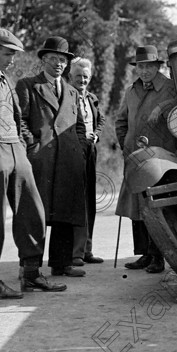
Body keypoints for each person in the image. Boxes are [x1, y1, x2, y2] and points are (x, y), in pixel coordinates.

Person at [0, 28, 67, 296]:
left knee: (34, 210)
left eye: (14, 54)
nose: (11, 59)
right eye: (7, 53)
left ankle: (31, 274)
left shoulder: (8, 82)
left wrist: (22, 144)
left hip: (16, 150)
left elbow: (17, 118)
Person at [16, 37, 87, 279]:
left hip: (69, 160)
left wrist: (79, 149)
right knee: (35, 212)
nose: (59, 64)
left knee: (65, 212)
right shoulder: (28, 86)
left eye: (63, 60)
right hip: (40, 160)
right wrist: (32, 146)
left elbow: (79, 126)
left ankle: (61, 263)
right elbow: (20, 121)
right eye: (54, 59)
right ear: (44, 60)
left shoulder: (72, 91)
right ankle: (30, 266)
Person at [115, 46, 177, 274]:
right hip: (135, 157)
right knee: (137, 206)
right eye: (140, 66)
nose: (144, 71)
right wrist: (126, 146)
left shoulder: (171, 88)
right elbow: (121, 121)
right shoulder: (132, 91)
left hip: (161, 159)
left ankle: (159, 256)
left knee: (157, 207)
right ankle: (144, 253)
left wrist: (162, 106)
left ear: (157, 66)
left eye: (149, 66)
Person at [69, 57, 106, 266]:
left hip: (91, 152)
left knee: (89, 201)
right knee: (76, 202)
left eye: (85, 76)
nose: (81, 80)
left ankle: (87, 249)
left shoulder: (92, 98)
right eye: (77, 76)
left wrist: (97, 135)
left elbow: (100, 119)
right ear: (70, 77)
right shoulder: (66, 97)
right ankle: (75, 252)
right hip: (73, 153)